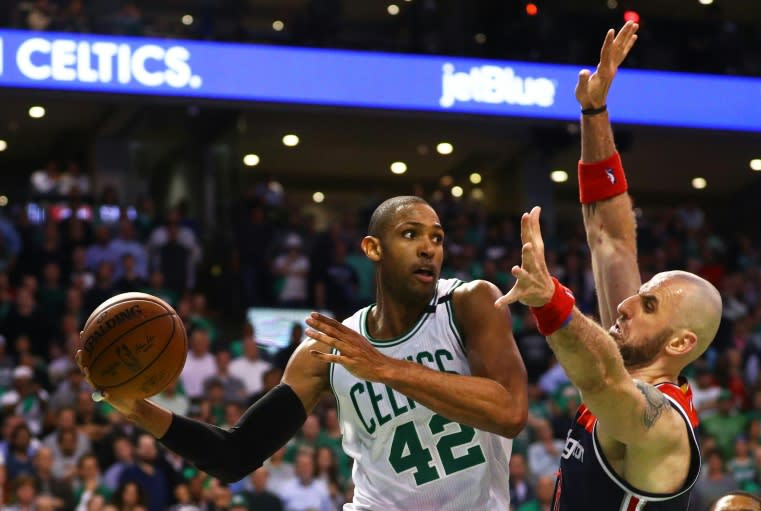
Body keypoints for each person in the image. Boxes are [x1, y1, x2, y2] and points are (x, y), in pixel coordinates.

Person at [77, 195, 528, 510]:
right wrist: (137, 410)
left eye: (437, 237)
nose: (429, 247)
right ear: (372, 248)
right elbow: (237, 455)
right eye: (411, 234)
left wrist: (387, 369)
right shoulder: (328, 349)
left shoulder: (470, 303)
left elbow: (509, 412)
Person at [495, 21, 720, 510]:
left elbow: (601, 380)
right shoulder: (631, 367)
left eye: (649, 303)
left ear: (681, 342)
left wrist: (549, 301)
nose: (625, 302)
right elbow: (610, 237)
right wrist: (594, 110)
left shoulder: (660, 421)